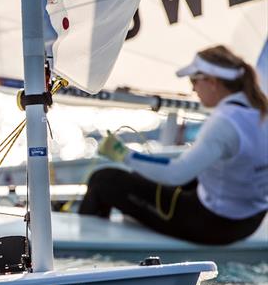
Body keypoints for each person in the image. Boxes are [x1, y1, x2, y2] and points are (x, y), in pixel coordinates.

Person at [80, 45, 268, 245]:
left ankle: (83, 250)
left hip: (217, 225)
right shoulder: (259, 108)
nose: (192, 89)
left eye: (193, 80)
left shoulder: (224, 122)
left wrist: (123, 154)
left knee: (103, 180)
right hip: (252, 218)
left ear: (212, 82)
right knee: (140, 176)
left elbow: (175, 174)